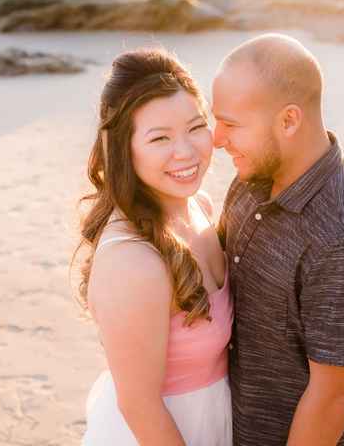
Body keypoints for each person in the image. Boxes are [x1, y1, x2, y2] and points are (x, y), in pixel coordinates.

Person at [212, 33, 344, 446]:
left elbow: (333, 395)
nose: (216, 139)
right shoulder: (253, 181)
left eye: (230, 124)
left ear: (289, 120)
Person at [73, 47, 233, 445]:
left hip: (214, 423)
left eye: (196, 127)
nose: (186, 150)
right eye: (159, 137)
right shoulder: (133, 259)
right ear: (124, 149)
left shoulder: (201, 209)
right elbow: (139, 405)